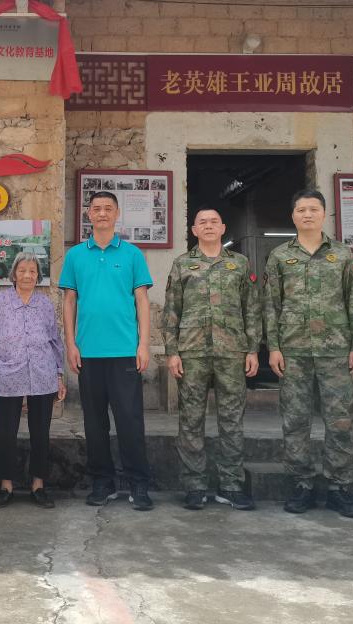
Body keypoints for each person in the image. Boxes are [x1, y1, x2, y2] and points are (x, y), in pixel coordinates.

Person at [264, 188, 353, 519]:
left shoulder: (342, 254)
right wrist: (273, 347)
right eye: (301, 210)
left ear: (324, 214)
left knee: (339, 420)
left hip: (335, 351)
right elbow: (270, 305)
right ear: (293, 216)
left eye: (313, 209)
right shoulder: (279, 256)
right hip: (293, 351)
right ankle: (302, 485)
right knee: (295, 420)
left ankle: (339, 488)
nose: (307, 214)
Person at [161, 207, 261, 511]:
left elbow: (251, 308)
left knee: (232, 420)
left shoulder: (239, 264)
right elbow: (171, 310)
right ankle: (195, 486)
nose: (208, 226)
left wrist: (252, 349)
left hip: (232, 352)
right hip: (192, 352)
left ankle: (231, 486)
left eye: (213, 222)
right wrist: (172, 352)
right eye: (202, 222)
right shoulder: (182, 264)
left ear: (223, 228)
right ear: (193, 230)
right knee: (191, 421)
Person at [60, 191, 154, 511]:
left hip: (125, 351)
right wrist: (71, 344)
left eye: (108, 209)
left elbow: (142, 300)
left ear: (116, 214)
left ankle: (138, 483)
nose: (102, 213)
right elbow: (69, 301)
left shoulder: (132, 254)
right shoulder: (75, 255)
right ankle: (102, 481)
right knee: (94, 423)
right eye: (96, 208)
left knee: (130, 421)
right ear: (88, 214)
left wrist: (143, 344)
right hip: (88, 353)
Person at [0, 252, 66, 509]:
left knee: (40, 433)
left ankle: (38, 486)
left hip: (42, 374)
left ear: (38, 275)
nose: (27, 275)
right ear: (14, 274)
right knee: (5, 433)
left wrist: (59, 374)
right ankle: (5, 486)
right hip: (7, 373)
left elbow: (55, 340)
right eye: (22, 270)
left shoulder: (45, 303)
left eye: (32, 271)